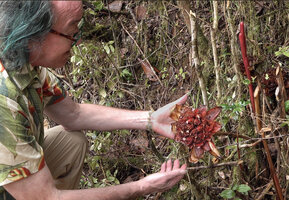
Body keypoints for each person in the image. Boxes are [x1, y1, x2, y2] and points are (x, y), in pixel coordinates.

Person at [0, 1, 188, 199]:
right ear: (34, 34)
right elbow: (47, 198)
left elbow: (74, 114)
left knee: (71, 142)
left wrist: (151, 119)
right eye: (71, 30)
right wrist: (141, 187)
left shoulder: (24, 61)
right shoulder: (4, 101)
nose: (77, 41)